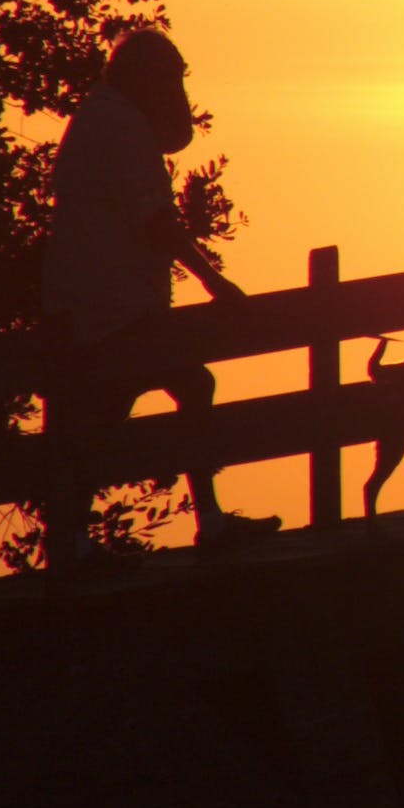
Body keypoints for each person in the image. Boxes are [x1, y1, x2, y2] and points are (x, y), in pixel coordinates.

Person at [41, 29, 277, 567]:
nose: (174, 91)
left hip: (87, 305)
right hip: (112, 306)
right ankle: (210, 525)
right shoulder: (123, 128)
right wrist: (213, 281)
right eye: (168, 78)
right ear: (146, 77)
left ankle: (74, 542)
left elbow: (167, 156)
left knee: (103, 415)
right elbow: (154, 220)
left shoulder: (101, 117)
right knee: (192, 384)